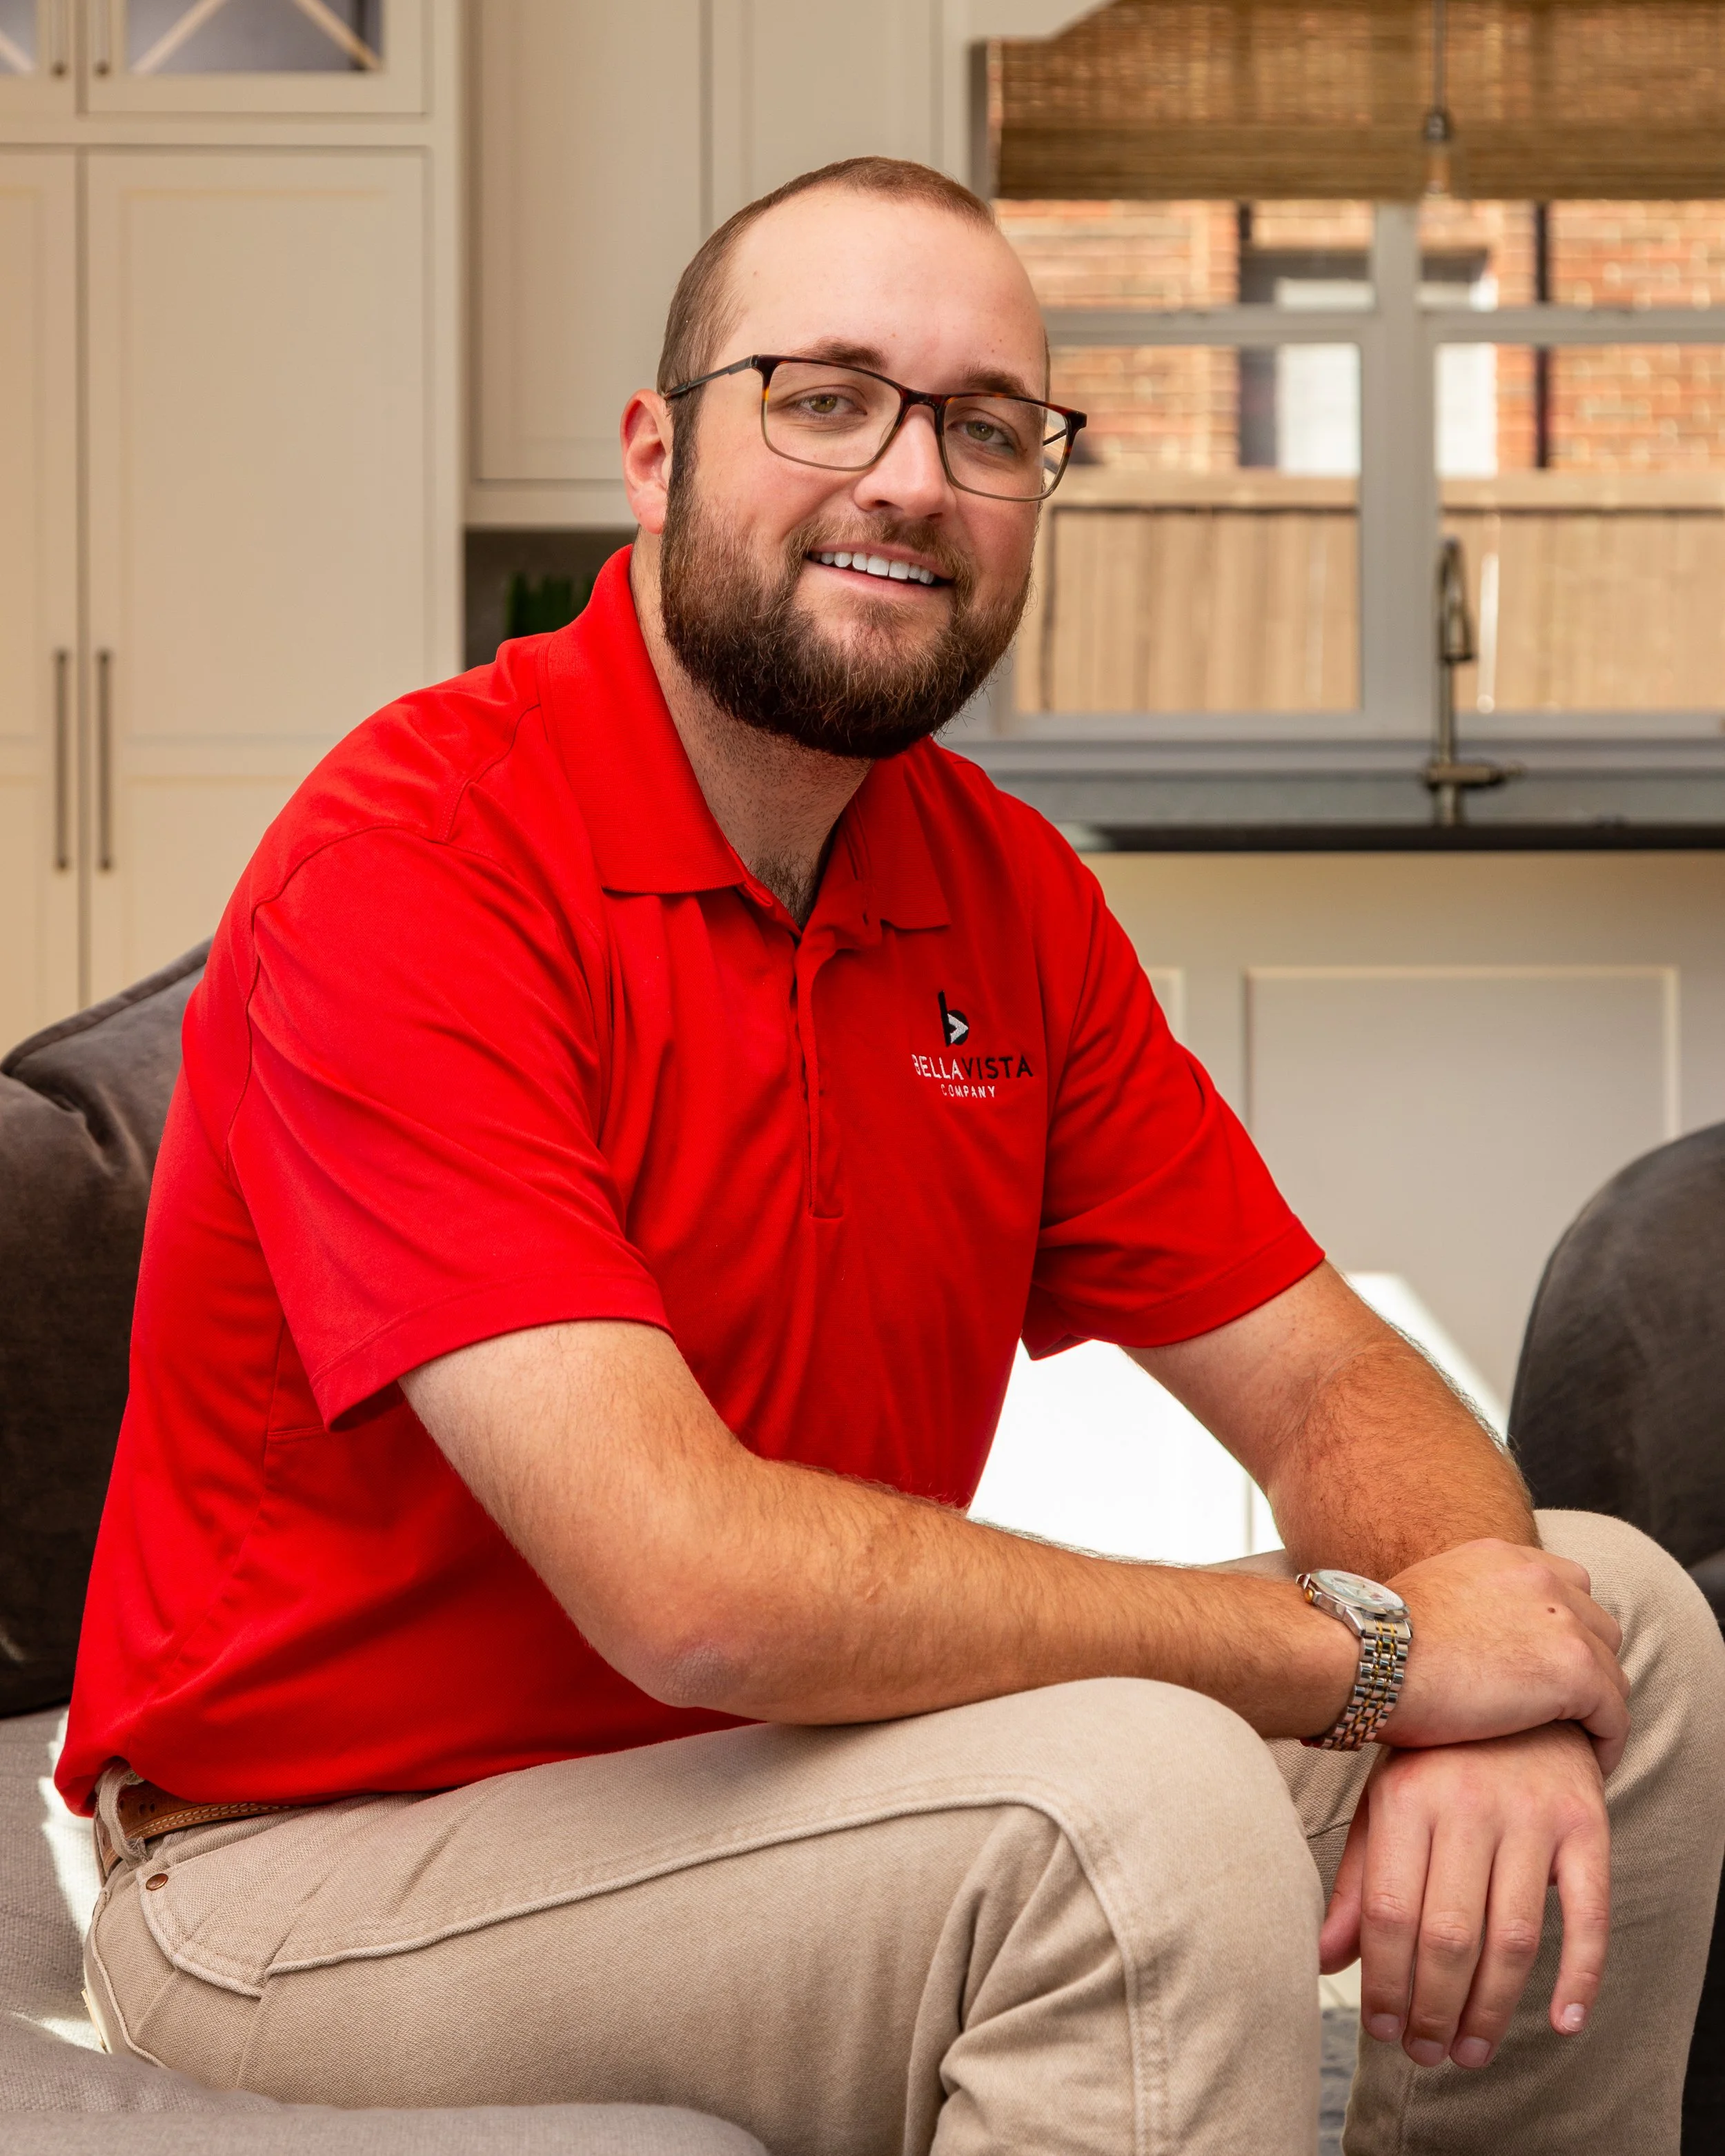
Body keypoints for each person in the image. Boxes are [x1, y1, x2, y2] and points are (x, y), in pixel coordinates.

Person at [61, 157, 1724, 2156]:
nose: (912, 477)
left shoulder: (995, 889)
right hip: (313, 1882)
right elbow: (683, 1578)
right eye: (826, 393)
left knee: (1611, 1627)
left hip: (795, 1785)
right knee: (1126, 1819)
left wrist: (1475, 1630)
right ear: (655, 453)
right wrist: (1372, 1657)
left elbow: (1316, 1375)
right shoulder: (415, 861)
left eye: (987, 425)